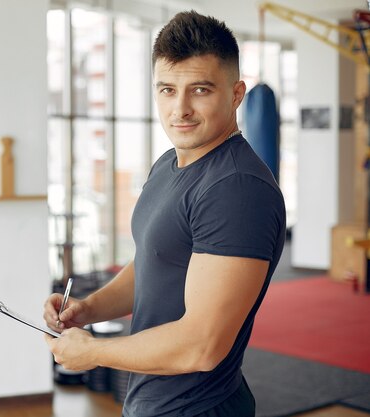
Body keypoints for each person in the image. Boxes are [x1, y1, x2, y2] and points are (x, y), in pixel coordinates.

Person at [43, 10, 286, 417]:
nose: (181, 109)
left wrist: (95, 352)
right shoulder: (168, 164)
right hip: (154, 400)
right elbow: (153, 263)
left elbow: (203, 346)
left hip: (197, 407)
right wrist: (90, 308)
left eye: (201, 90)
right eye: (168, 90)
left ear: (236, 94)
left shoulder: (236, 189)